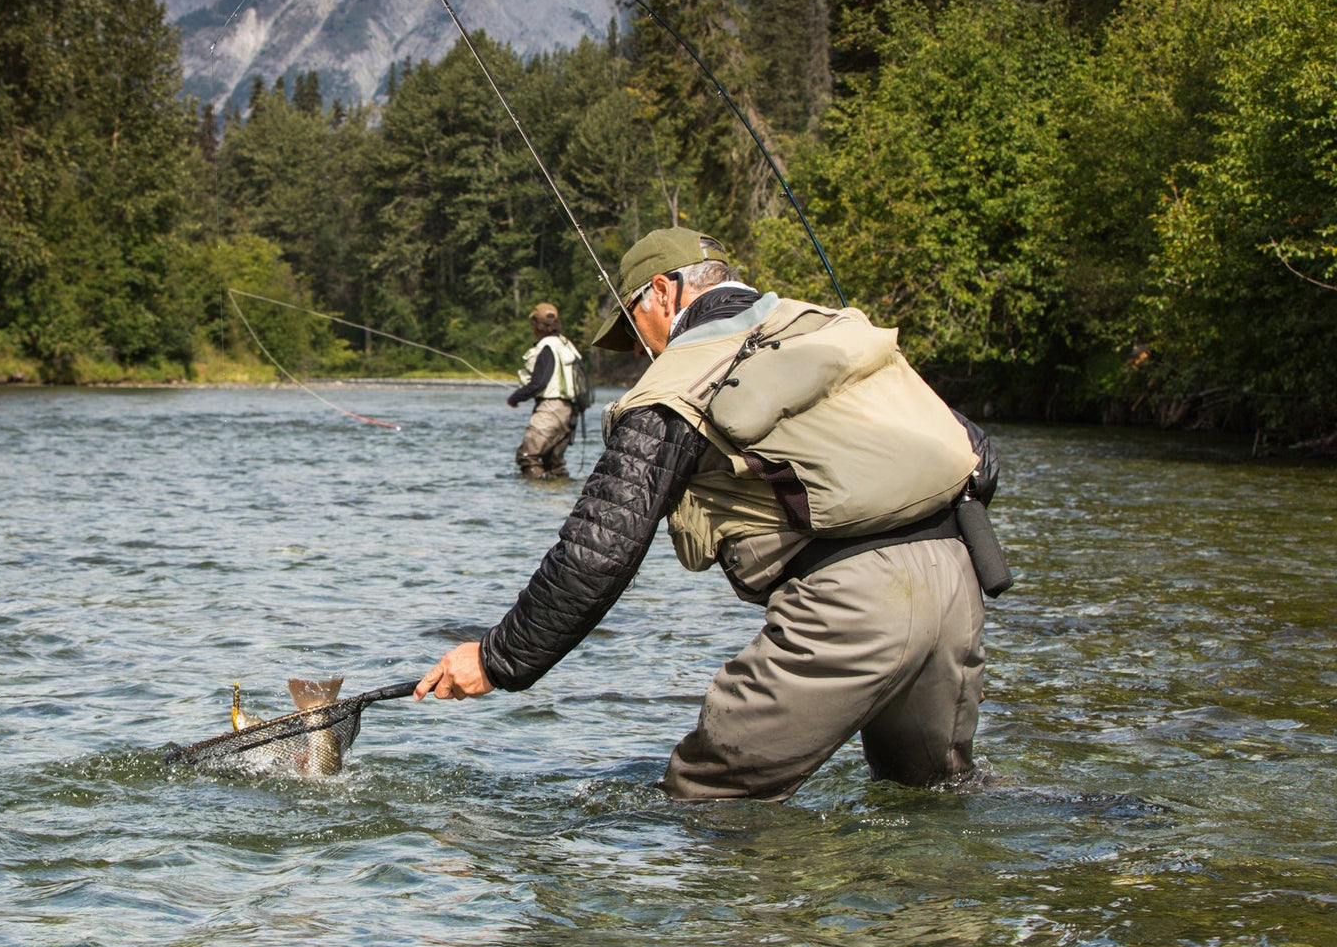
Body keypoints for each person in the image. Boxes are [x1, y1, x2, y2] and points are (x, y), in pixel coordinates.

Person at [415, 227, 1005, 801]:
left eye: (635, 323)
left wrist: (498, 657)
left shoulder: (674, 385)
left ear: (664, 293)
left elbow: (599, 551)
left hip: (854, 606)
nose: (644, 347)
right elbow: (976, 451)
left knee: (707, 798)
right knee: (933, 799)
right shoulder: (833, 329)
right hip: (959, 581)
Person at [506, 302, 584, 479]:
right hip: (571, 412)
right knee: (553, 463)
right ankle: (556, 499)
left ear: (536, 324)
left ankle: (532, 502)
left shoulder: (547, 346)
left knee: (527, 456)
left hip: (551, 409)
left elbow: (539, 383)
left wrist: (515, 398)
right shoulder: (566, 344)